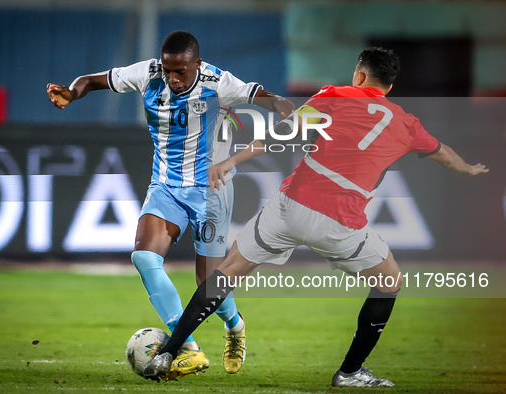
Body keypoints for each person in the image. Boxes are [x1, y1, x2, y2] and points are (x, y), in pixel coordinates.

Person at [142, 47, 490, 387]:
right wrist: (468, 170)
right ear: (390, 88)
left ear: (359, 75)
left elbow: (282, 133)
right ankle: (351, 372)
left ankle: (167, 353)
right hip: (340, 223)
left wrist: (232, 161)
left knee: (225, 274)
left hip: (288, 208)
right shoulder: (407, 122)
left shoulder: (335, 96)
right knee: (389, 280)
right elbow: (444, 155)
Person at [46, 31, 295, 380]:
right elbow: (91, 80)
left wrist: (282, 106)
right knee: (144, 257)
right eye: (168, 70)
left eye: (181, 71)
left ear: (197, 64)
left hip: (211, 190)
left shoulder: (218, 82)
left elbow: (264, 98)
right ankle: (188, 349)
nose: (173, 78)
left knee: (207, 283)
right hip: (165, 186)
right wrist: (72, 93)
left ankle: (235, 327)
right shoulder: (148, 73)